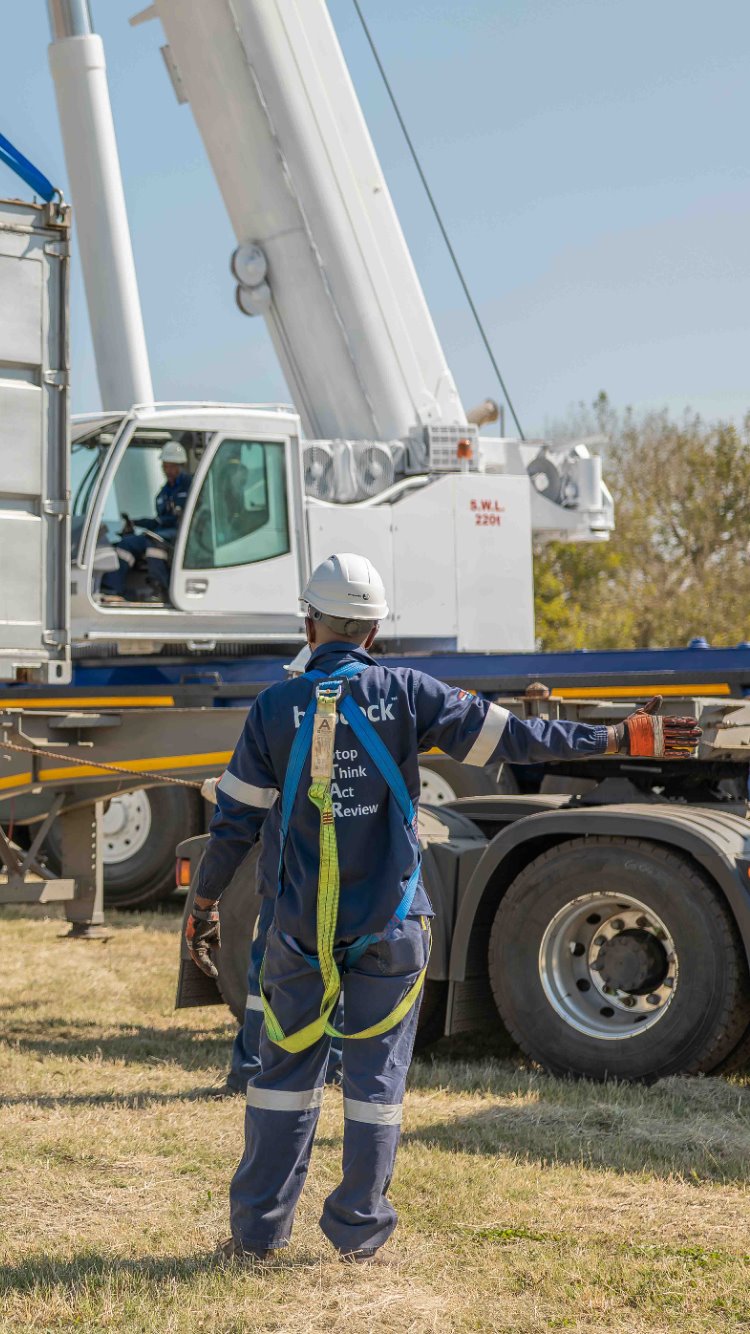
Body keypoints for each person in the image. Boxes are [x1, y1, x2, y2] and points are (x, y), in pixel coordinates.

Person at [185, 553, 700, 1266]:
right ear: (373, 629)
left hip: (301, 934)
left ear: (309, 622)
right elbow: (515, 737)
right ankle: (358, 1237)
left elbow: (234, 826)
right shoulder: (409, 693)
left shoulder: (276, 708)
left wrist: (203, 901)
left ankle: (255, 1238)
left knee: (282, 1083)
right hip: (391, 929)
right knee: (374, 1086)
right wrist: (614, 738)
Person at [103, 440, 192, 600]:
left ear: (180, 465)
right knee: (126, 543)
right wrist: (134, 523)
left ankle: (159, 590)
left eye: (171, 466)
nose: (167, 470)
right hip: (162, 532)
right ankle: (112, 590)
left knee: (154, 543)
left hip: (182, 533)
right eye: (165, 466)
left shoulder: (191, 486)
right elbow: (157, 520)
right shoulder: (163, 493)